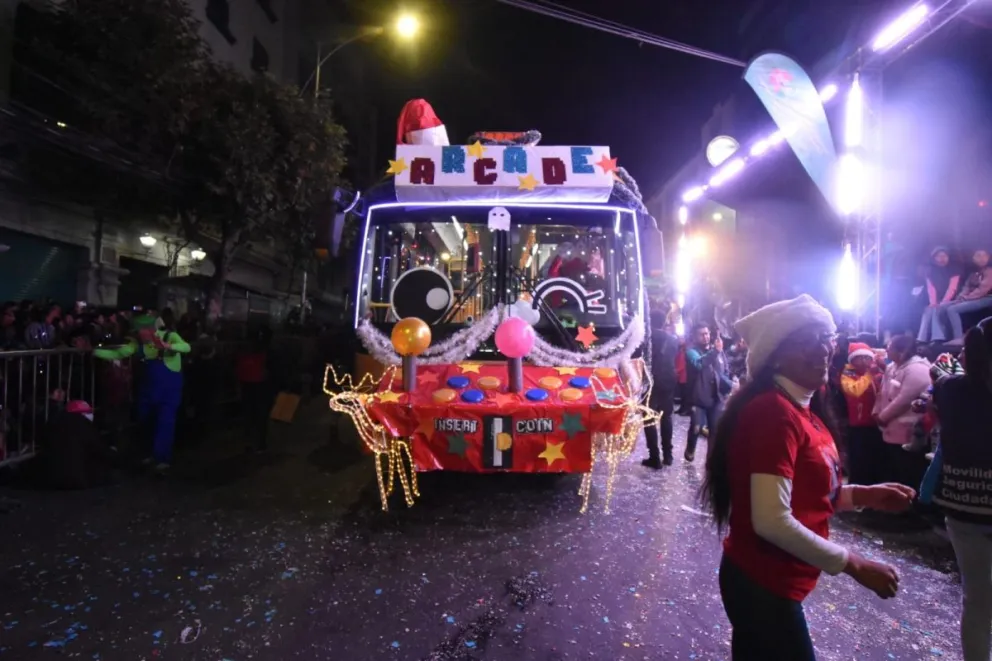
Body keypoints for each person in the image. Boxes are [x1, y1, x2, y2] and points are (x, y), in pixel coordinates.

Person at [701, 294, 915, 661]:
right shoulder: (775, 412)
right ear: (776, 355)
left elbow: (806, 493)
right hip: (762, 585)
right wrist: (855, 564)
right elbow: (771, 519)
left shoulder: (803, 411)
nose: (824, 349)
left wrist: (865, 495)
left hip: (772, 584)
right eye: (808, 340)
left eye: (826, 338)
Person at [921, 318, 992, 661]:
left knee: (977, 600)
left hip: (963, 508)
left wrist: (963, 357)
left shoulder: (951, 390)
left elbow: (940, 370)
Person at [93, 314, 190, 472]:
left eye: (140, 331)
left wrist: (168, 346)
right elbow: (120, 353)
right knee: (146, 422)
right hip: (148, 391)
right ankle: (150, 454)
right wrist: (94, 352)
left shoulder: (169, 336)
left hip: (169, 393)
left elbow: (186, 347)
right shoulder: (139, 344)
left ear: (150, 330)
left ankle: (162, 459)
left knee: (165, 423)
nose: (138, 335)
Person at [872, 335, 931, 485]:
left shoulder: (918, 369)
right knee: (894, 469)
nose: (886, 350)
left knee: (909, 471)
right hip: (890, 429)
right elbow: (882, 391)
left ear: (901, 351)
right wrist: (876, 411)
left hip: (909, 433)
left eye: (889, 347)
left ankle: (911, 504)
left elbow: (905, 399)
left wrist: (883, 417)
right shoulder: (892, 367)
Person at [683, 323, 732, 463]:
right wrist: (715, 352)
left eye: (707, 333)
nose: (706, 337)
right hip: (698, 397)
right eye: (702, 334)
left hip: (716, 397)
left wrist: (727, 387)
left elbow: (725, 369)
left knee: (715, 431)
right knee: (696, 427)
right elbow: (699, 364)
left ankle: (711, 460)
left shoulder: (717, 350)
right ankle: (690, 449)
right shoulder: (691, 352)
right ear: (694, 336)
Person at [839, 342, 885, 485]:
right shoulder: (848, 373)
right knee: (860, 461)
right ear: (852, 360)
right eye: (860, 358)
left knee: (875, 461)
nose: (865, 361)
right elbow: (854, 391)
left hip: (877, 423)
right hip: (859, 425)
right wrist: (869, 374)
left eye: (867, 357)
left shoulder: (876, 372)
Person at [642, 314, 678, 468]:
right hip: (669, 380)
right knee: (666, 417)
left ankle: (654, 457)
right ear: (664, 323)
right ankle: (668, 456)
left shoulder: (647, 338)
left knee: (648, 417)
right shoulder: (673, 340)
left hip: (651, 381)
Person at [937, 249, 992, 346]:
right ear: (973, 258)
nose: (981, 258)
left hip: (987, 298)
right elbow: (966, 287)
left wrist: (966, 299)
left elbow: (982, 290)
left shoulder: (989, 271)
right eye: (978, 256)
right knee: (943, 306)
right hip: (972, 298)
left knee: (953, 309)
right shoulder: (973, 273)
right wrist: (960, 297)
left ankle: (958, 338)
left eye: (984, 256)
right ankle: (943, 336)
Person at [918, 247, 960, 343]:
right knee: (929, 310)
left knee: (937, 309)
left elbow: (952, 288)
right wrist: (933, 302)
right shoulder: (930, 272)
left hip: (955, 299)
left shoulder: (954, 270)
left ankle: (938, 337)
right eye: (939, 256)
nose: (942, 259)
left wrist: (944, 301)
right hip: (939, 300)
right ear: (934, 258)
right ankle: (921, 338)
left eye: (944, 256)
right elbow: (931, 289)